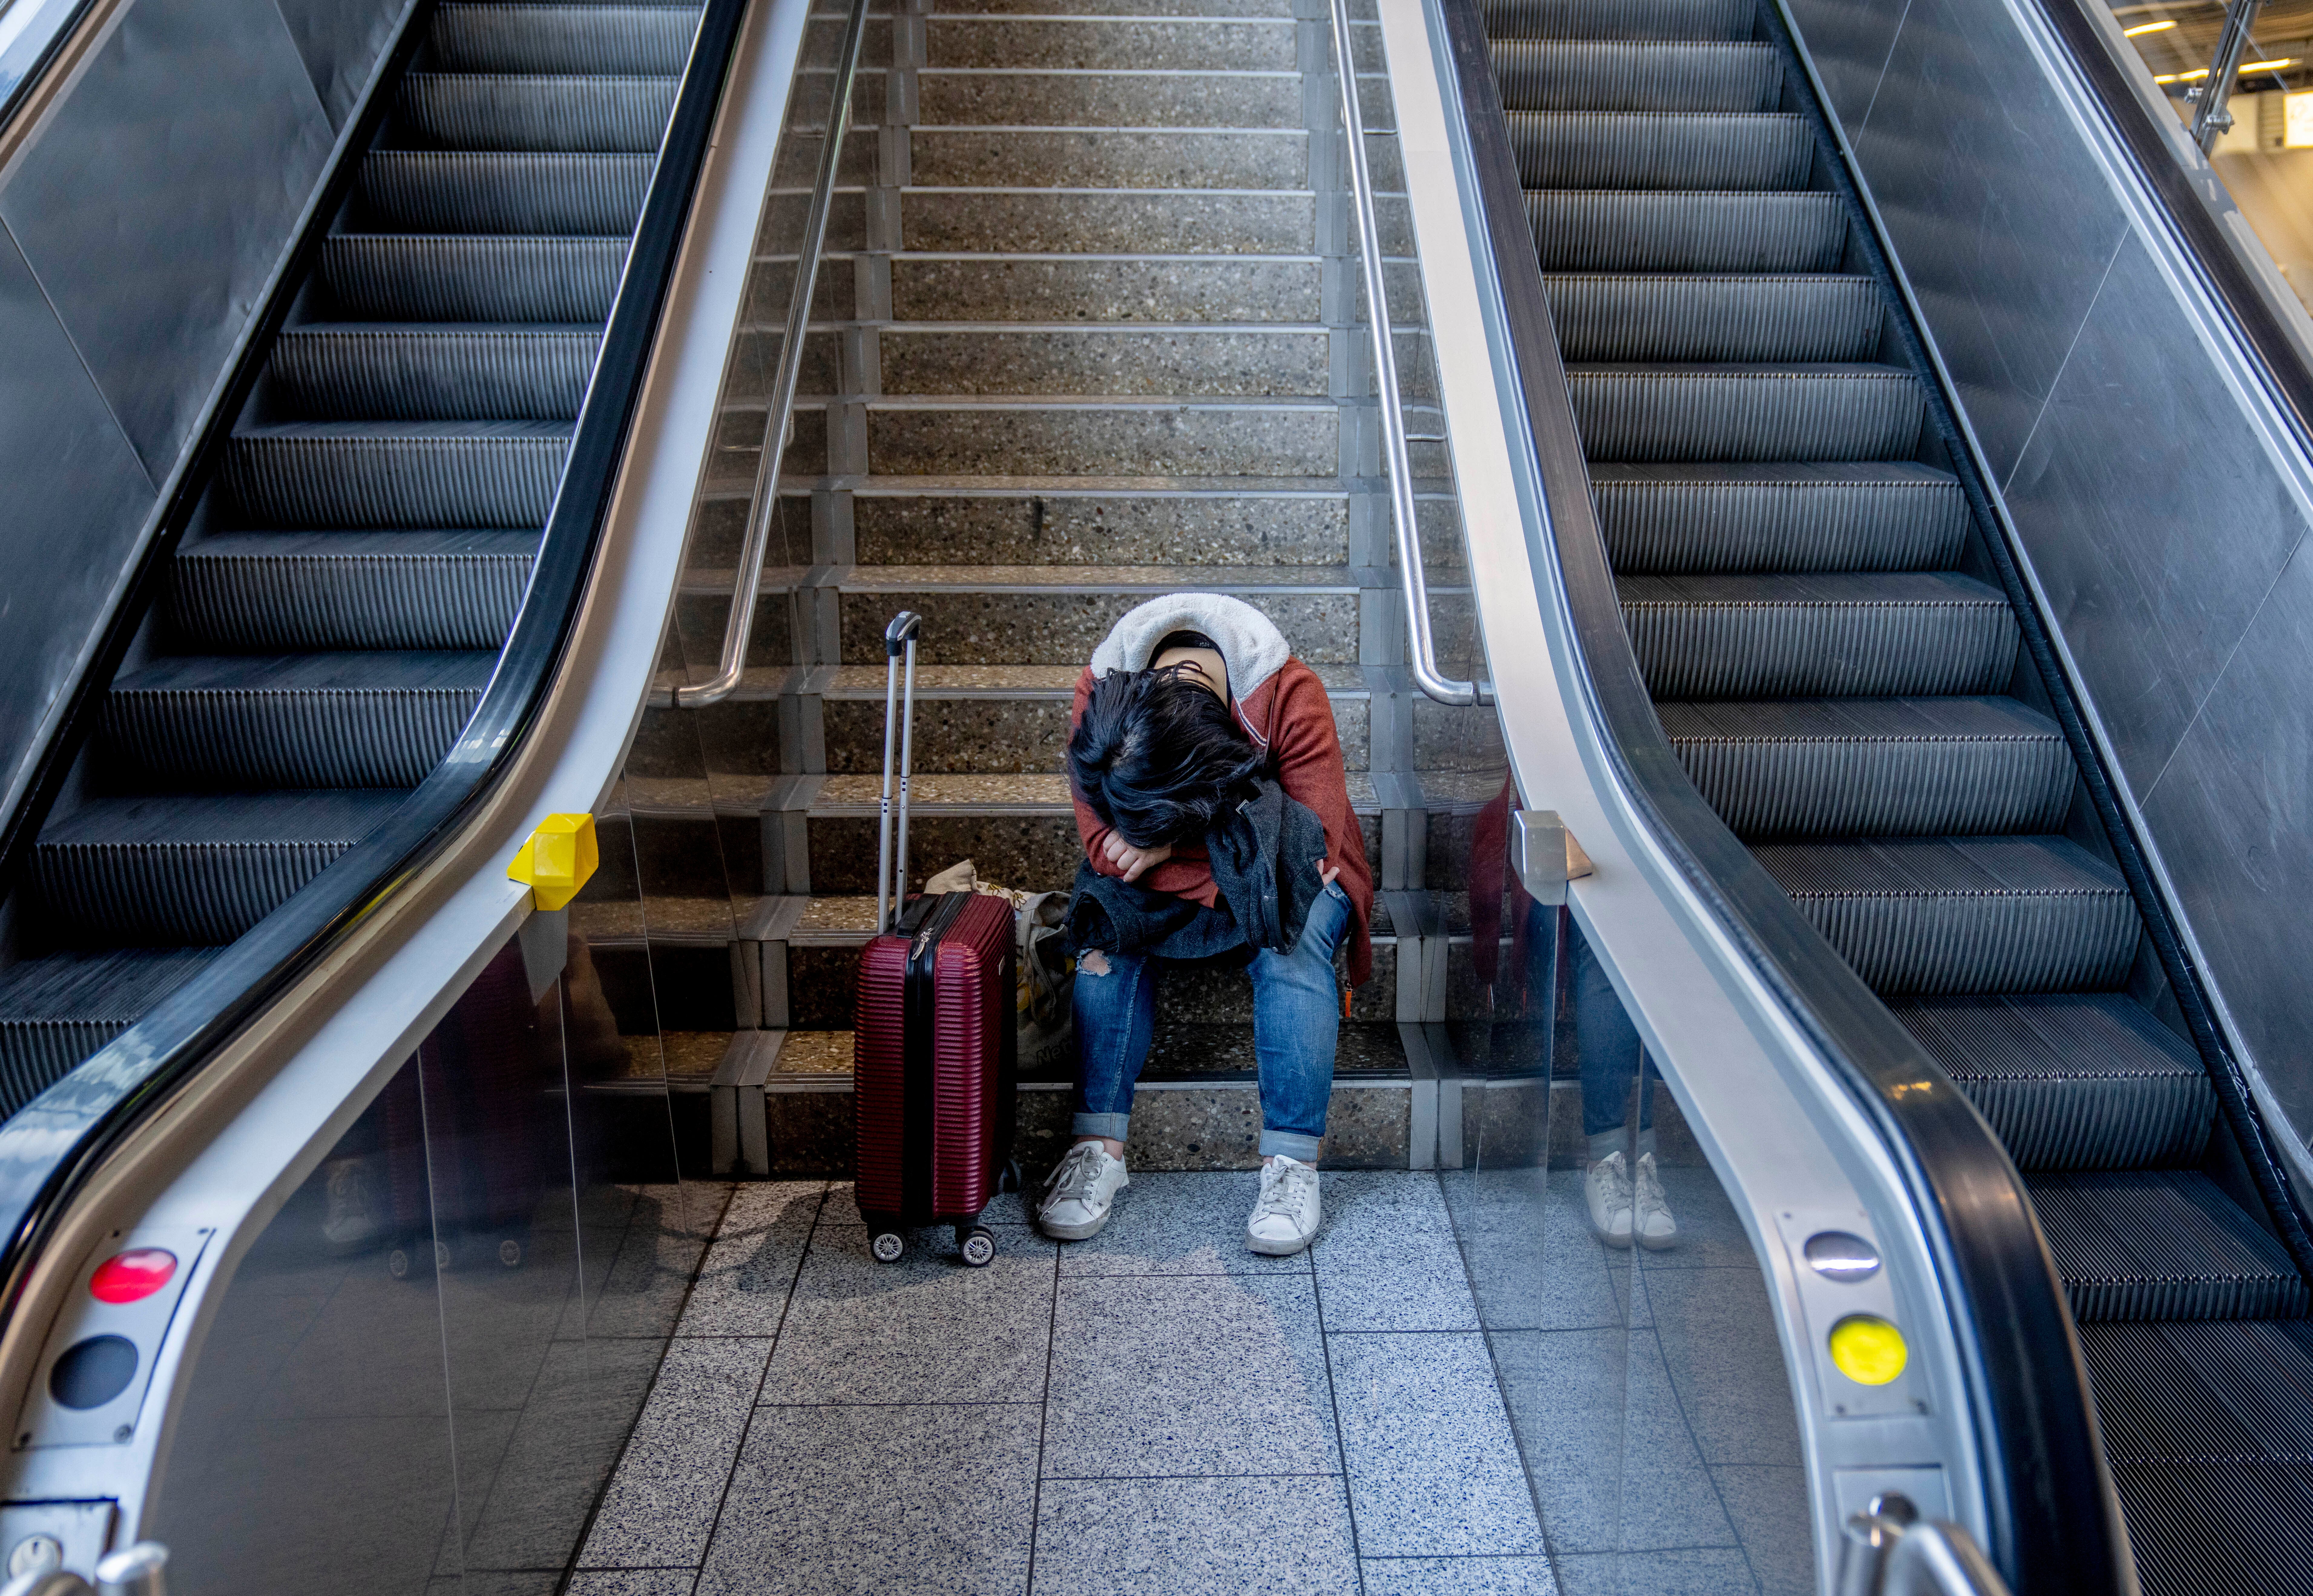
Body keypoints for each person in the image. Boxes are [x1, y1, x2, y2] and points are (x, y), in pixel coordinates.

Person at [1035, 594, 1373, 1256]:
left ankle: (1292, 1167)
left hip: (1299, 874)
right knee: (1104, 935)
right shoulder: (1102, 700)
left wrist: (1161, 849)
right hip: (1242, 864)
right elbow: (1107, 850)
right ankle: (1096, 1150)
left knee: (1292, 938)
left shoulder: (1289, 692)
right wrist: (1235, 857)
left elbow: (1311, 852)